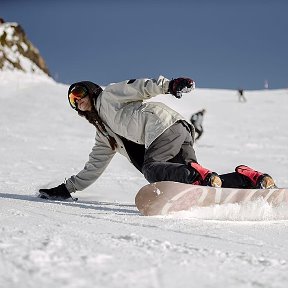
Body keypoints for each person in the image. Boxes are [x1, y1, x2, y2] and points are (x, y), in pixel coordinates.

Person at [39, 76, 276, 200]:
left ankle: (196, 174)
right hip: (179, 132)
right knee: (201, 183)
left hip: (163, 126)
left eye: (78, 93)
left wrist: (169, 85)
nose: (77, 100)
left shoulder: (108, 96)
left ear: (90, 90)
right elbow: (93, 167)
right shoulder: (104, 135)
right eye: (73, 101)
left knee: (152, 170)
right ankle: (249, 179)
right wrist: (67, 188)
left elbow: (138, 87)